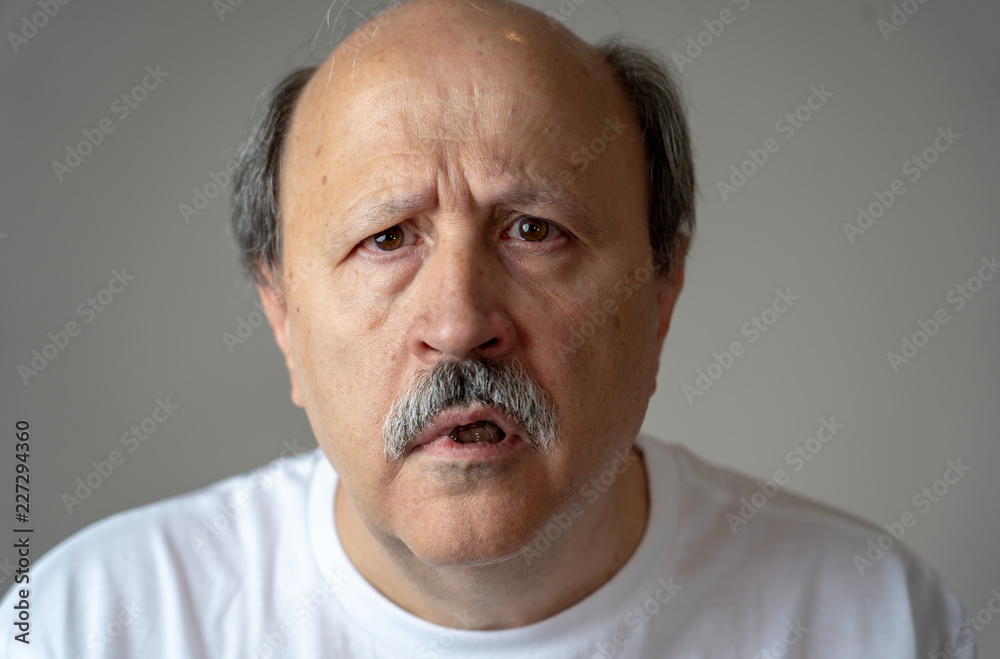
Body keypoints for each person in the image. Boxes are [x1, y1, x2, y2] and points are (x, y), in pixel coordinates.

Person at [0, 0, 974, 656]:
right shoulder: (93, 624)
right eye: (387, 238)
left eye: (534, 230)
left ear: (662, 287)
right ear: (283, 315)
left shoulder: (872, 620)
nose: (460, 322)